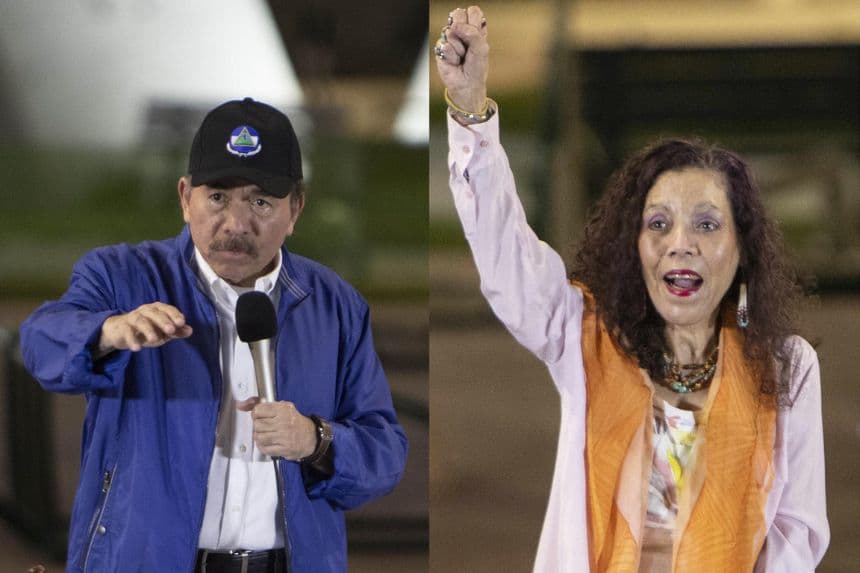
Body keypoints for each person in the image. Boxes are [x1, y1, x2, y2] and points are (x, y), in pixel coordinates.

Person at [435, 6, 828, 572]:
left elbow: (798, 531)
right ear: (635, 245)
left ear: (743, 251)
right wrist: (471, 113)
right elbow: (508, 259)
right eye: (659, 223)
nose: (681, 243)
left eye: (707, 224)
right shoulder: (584, 337)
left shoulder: (788, 367)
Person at [20, 98, 408, 573]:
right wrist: (106, 331)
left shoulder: (336, 305)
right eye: (218, 197)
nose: (236, 224)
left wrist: (314, 439)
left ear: (296, 210)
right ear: (185, 198)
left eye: (261, 201)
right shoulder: (121, 277)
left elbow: (385, 454)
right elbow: (38, 344)